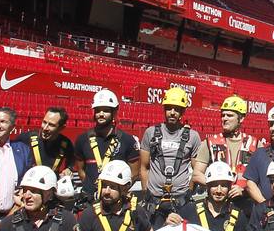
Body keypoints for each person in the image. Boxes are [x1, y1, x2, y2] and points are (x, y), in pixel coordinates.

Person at [137, 86, 199, 216]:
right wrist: (145, 192)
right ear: (164, 109)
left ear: (182, 112)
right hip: (154, 200)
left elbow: (197, 170)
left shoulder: (193, 136)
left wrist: (189, 190)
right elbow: (144, 167)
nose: (172, 112)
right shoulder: (150, 133)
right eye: (169, 108)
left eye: (177, 109)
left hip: (181, 200)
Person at [192, 94, 264, 204]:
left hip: (246, 203)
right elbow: (197, 174)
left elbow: (263, 177)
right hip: (217, 204)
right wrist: (219, 187)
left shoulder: (255, 144)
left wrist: (244, 190)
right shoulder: (209, 143)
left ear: (241, 118)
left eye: (229, 115)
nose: (224, 118)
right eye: (223, 115)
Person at [81, 88, 142, 202]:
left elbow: (134, 173)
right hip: (89, 201)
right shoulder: (83, 139)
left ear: (114, 111)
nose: (101, 114)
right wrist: (91, 186)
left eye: (105, 110)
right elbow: (80, 170)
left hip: (117, 203)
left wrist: (119, 191)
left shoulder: (128, 141)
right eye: (98, 110)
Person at [16, 105, 76, 183]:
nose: (45, 128)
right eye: (44, 122)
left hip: (50, 189)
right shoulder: (25, 138)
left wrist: (68, 169)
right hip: (28, 187)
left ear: (61, 128)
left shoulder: (66, 144)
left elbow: (71, 162)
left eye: (51, 125)